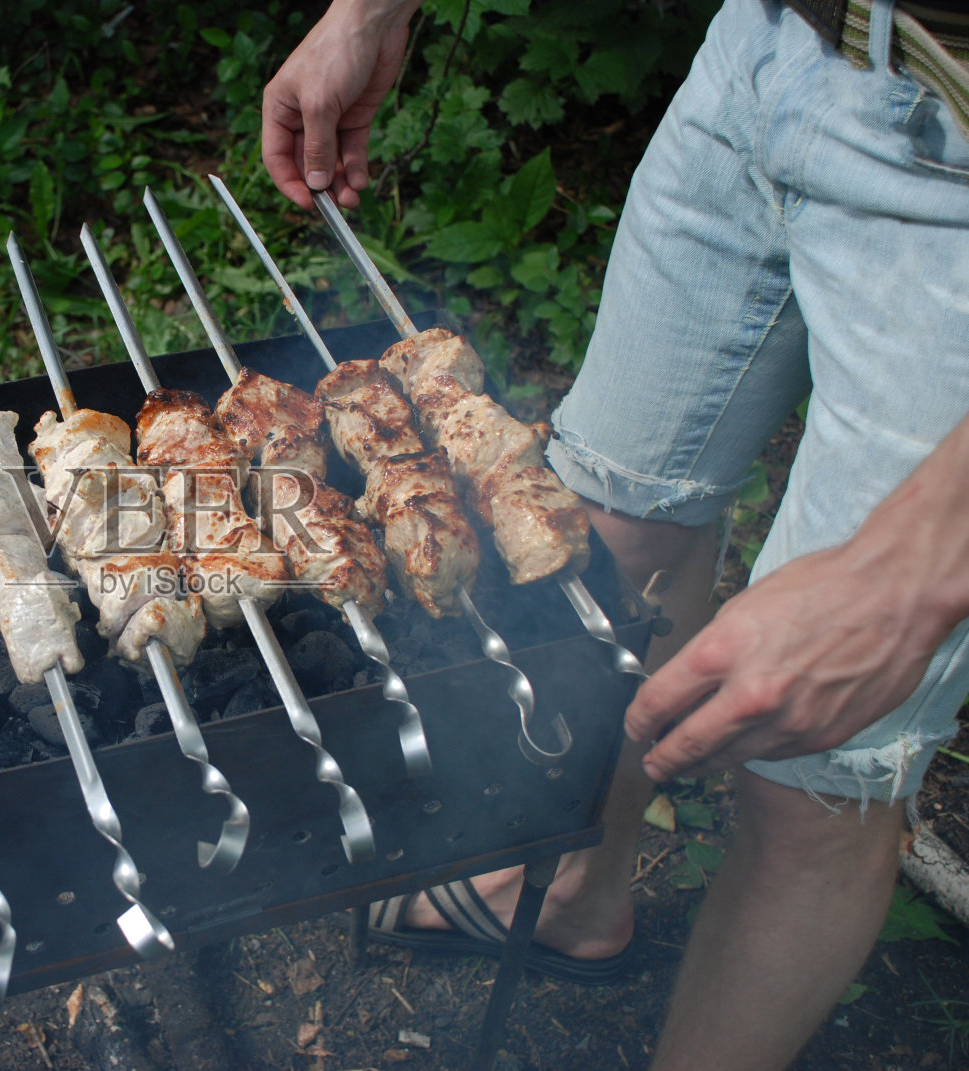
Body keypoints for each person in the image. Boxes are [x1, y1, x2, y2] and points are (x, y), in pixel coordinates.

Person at [262, 0, 969, 1067]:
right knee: (604, 542)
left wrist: (913, 569)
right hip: (767, 49)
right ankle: (575, 897)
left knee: (820, 774)